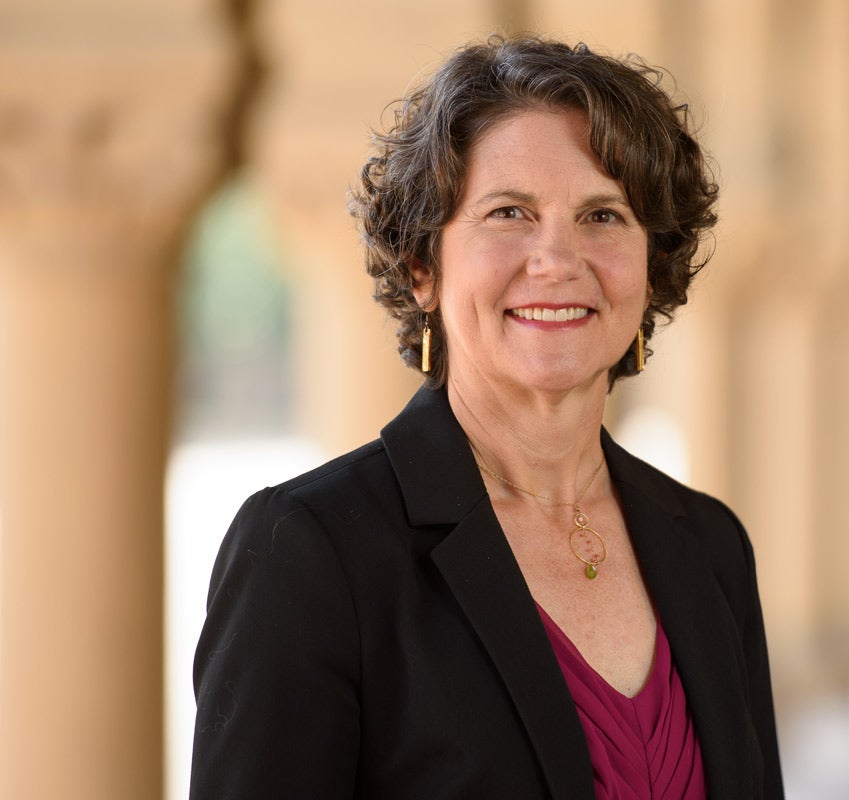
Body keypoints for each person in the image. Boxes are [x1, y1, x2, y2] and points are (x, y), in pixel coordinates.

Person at [190, 34, 783, 799]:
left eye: (603, 216)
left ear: (651, 262)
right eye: (509, 212)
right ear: (422, 265)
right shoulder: (309, 553)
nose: (557, 259)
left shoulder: (710, 546)